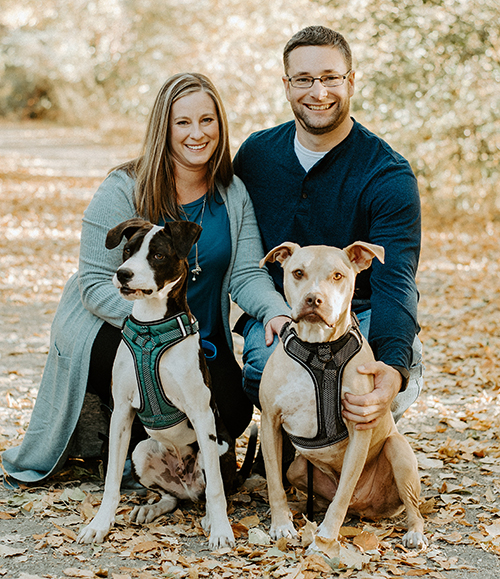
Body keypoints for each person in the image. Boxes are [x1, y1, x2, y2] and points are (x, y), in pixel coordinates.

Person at [2, 72, 290, 487]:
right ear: (164, 127)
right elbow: (96, 282)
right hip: (117, 330)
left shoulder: (232, 193)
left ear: (220, 126)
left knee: (234, 409)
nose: (197, 134)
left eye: (207, 121)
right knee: (133, 358)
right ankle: (130, 443)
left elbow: (246, 273)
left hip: (196, 336)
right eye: (183, 123)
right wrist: (154, 328)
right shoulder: (124, 187)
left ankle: (153, 447)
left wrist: (276, 313)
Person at [233, 26, 423, 429]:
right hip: (281, 311)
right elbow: (237, 251)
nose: (318, 92)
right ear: (286, 86)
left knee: (370, 381)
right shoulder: (256, 157)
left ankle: (350, 446)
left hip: (363, 312)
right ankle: (295, 443)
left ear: (351, 81)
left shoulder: (387, 174)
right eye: (303, 79)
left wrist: (392, 367)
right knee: (264, 369)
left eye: (331, 78)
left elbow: (395, 282)